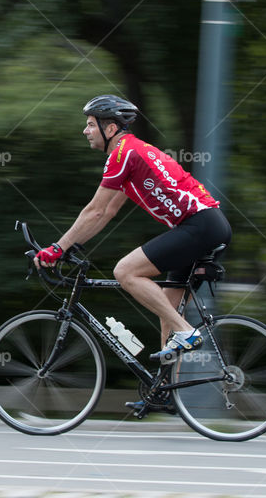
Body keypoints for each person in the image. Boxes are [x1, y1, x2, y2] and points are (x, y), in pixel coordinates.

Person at [33, 95, 231, 370]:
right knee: (168, 313)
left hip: (201, 225)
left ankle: (188, 333)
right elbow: (108, 212)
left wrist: (57, 248)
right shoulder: (133, 151)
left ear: (110, 129)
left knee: (125, 271)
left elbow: (95, 211)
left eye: (90, 125)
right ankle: (164, 396)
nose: (85, 131)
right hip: (203, 226)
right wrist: (70, 245)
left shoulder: (123, 153)